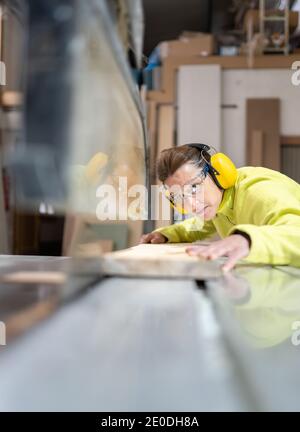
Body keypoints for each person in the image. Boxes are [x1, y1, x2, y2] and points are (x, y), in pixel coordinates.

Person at [140, 143, 300, 272]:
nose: (192, 206)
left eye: (194, 188)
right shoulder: (218, 204)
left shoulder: (260, 191)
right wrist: (166, 234)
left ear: (218, 172)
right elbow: (199, 226)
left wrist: (247, 240)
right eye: (179, 196)